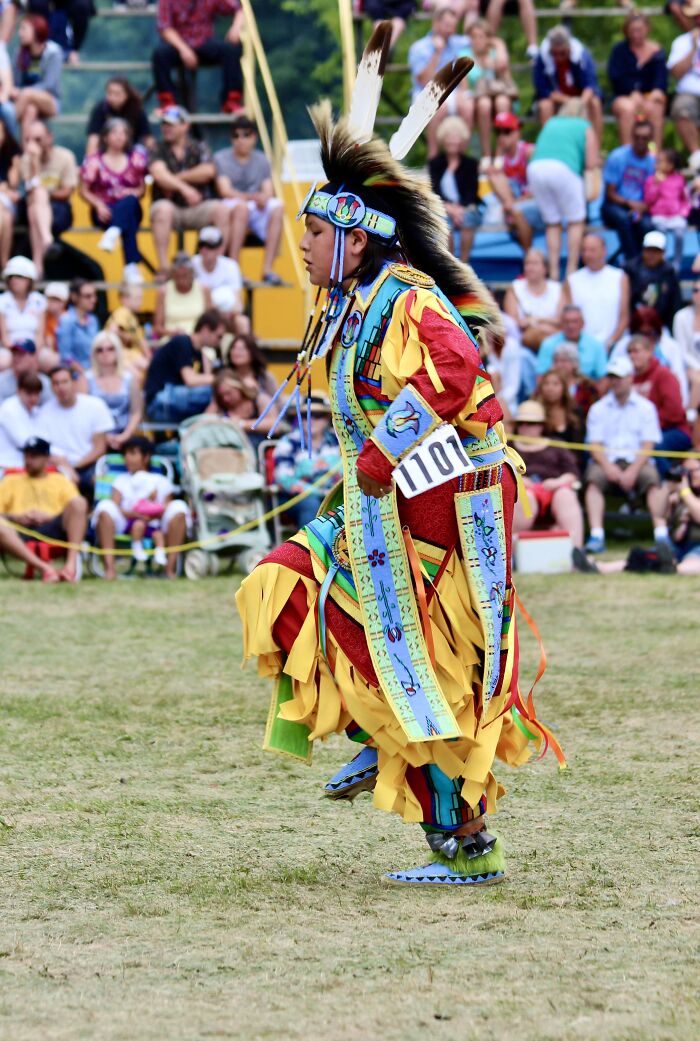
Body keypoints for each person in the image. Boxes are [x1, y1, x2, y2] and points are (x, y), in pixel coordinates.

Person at [236, 30, 562, 888]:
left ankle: (464, 842)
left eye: (314, 233)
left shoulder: (406, 299)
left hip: (443, 503)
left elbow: (458, 374)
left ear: (355, 237)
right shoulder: (353, 307)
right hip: (385, 499)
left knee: (428, 670)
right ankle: (372, 733)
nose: (302, 248)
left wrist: (381, 455)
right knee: (281, 583)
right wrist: (369, 469)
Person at [583, 355, 666, 554]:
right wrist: (609, 468)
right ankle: (597, 535)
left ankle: (662, 535)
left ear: (630, 378)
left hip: (638, 461)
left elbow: (648, 445)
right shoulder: (598, 408)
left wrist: (633, 470)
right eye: (612, 377)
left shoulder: (646, 408)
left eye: (619, 377)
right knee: (593, 480)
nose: (615, 381)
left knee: (652, 479)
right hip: (606, 461)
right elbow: (595, 446)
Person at [92, 434, 187, 580]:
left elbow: (168, 505)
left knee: (179, 507)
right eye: (125, 454)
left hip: (156, 523)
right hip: (126, 522)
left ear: (146, 457)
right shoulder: (120, 480)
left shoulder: (160, 481)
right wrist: (133, 514)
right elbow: (115, 506)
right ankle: (109, 569)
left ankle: (170, 569)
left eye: (133, 453)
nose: (127, 458)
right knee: (104, 506)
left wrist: (153, 513)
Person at [148, 105, 229, 277]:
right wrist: (185, 188)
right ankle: (163, 268)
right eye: (164, 124)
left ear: (185, 126)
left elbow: (208, 171)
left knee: (221, 210)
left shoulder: (199, 146)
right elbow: (158, 174)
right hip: (171, 208)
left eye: (171, 124)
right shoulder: (158, 148)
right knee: (161, 209)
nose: (165, 128)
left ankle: (217, 266)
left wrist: (174, 179)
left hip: (197, 207)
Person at [527, 98, 599, 280]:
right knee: (575, 220)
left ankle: (552, 271)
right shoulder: (585, 125)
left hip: (535, 169)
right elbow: (591, 163)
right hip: (564, 169)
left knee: (553, 222)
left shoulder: (551, 121)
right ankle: (571, 269)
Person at [0, 434, 87, 581]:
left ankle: (70, 567)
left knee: (79, 503)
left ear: (47, 458)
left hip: (53, 528)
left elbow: (76, 508)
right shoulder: (10, 480)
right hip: (19, 531)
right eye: (26, 455)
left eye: (34, 456)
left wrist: (49, 517)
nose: (28, 460)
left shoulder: (60, 480)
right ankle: (46, 569)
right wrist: (16, 517)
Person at [214, 115, 284, 284]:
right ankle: (235, 269)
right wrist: (251, 198)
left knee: (278, 206)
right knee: (241, 208)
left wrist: (263, 198)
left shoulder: (262, 160)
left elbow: (268, 191)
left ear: (254, 137)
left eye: (245, 135)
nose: (240, 140)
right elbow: (225, 191)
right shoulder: (221, 158)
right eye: (236, 135)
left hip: (252, 205)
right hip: (232, 206)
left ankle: (268, 269)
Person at [79, 118, 148, 281]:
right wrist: (98, 205)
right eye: (115, 132)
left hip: (128, 206)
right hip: (104, 211)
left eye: (123, 133)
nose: (119, 137)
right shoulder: (94, 160)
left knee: (129, 202)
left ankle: (114, 232)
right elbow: (84, 190)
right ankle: (131, 264)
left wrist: (133, 191)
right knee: (127, 220)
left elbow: (142, 188)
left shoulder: (136, 159)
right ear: (105, 136)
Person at [511, 399, 584, 549]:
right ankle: (512, 551)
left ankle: (576, 550)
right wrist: (519, 480)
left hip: (554, 490)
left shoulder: (556, 445)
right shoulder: (508, 447)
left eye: (531, 424)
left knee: (565, 495)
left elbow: (573, 473)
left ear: (541, 426)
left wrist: (558, 482)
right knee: (525, 497)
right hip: (523, 492)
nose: (525, 428)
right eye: (521, 423)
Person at [35, 364, 114, 498]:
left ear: (73, 382)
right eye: (56, 383)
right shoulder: (44, 413)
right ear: (52, 388)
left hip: (90, 464)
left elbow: (100, 447)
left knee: (102, 482)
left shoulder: (95, 405)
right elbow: (46, 449)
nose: (61, 387)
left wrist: (75, 466)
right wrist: (67, 468)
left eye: (65, 381)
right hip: (59, 467)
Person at [152, 0, 244, 114]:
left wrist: (236, 28)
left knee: (230, 50)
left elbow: (239, 9)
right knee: (160, 54)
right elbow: (165, 28)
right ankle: (167, 102)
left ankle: (232, 101)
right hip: (177, 44)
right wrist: (184, 49)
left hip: (204, 42)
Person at [407, 2, 471, 157]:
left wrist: (464, 91)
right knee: (438, 107)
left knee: (468, 106)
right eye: (447, 25)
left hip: (453, 91)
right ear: (436, 23)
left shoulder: (458, 42)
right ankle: (433, 156)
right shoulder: (419, 47)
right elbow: (423, 81)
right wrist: (437, 53)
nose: (451, 29)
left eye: (453, 25)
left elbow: (482, 38)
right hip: (427, 92)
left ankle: (462, 157)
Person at [626, 333, 692, 477]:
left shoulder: (664, 375)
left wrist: (646, 428)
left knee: (653, 446)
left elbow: (674, 412)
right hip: (641, 432)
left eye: (636, 351)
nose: (632, 355)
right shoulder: (628, 379)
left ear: (650, 351)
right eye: (629, 352)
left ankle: (670, 480)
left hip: (673, 430)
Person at [271, 393, 341, 529]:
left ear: (327, 419)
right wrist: (321, 493)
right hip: (296, 498)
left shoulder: (337, 441)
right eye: (305, 415)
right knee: (311, 503)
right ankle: (309, 548)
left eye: (317, 415)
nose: (311, 420)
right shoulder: (289, 442)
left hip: (333, 495)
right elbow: (284, 479)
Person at [144, 308, 225, 423]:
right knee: (219, 392)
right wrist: (221, 379)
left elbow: (203, 380)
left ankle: (203, 425)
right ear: (206, 330)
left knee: (221, 393)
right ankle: (203, 426)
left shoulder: (199, 353)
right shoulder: (182, 342)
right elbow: (190, 380)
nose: (219, 341)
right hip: (159, 401)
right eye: (219, 336)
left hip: (172, 401)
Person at [19, 119, 76, 278]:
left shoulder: (65, 157)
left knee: (37, 202)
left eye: (37, 139)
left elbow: (67, 192)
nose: (33, 144)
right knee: (34, 204)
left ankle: (38, 264)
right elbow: (30, 189)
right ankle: (46, 241)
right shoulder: (26, 159)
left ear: (49, 137)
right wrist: (35, 162)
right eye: (28, 139)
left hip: (59, 212)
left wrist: (45, 193)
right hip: (32, 208)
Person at [607, 12, 667, 153]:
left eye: (639, 30)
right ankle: (628, 153)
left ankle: (653, 153)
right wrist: (633, 92)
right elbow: (615, 77)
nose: (636, 34)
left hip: (649, 97)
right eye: (632, 30)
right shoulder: (619, 51)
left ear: (647, 29)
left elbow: (661, 79)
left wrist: (654, 94)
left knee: (655, 109)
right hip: (624, 96)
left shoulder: (656, 51)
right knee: (628, 109)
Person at [532, 26, 603, 143]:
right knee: (545, 106)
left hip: (580, 98)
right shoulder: (542, 57)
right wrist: (568, 101)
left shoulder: (582, 55)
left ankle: (594, 148)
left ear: (569, 48)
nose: (558, 57)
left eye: (562, 53)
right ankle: (550, 146)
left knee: (595, 103)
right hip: (557, 99)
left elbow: (590, 86)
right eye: (554, 53)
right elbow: (542, 90)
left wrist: (579, 103)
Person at [458, 19, 517, 158]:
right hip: (477, 99)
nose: (477, 40)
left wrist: (498, 67)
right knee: (485, 103)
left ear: (488, 39)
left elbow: (508, 82)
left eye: (481, 36)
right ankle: (486, 153)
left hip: (499, 94)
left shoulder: (496, 54)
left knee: (502, 102)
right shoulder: (464, 55)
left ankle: (500, 153)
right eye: (474, 37)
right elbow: (465, 88)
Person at [485, 112, 542, 252]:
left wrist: (518, 202)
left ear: (517, 132)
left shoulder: (529, 151)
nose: (502, 136)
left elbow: (540, 187)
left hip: (537, 199)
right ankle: (511, 208)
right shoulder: (505, 160)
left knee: (516, 212)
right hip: (519, 202)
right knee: (492, 173)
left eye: (507, 131)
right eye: (498, 132)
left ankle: (529, 257)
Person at [600, 120, 655, 263]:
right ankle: (633, 263)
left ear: (650, 139)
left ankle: (649, 265)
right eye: (637, 137)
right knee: (624, 219)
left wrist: (643, 207)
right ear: (632, 136)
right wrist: (630, 204)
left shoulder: (653, 161)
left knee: (648, 226)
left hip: (641, 208)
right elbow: (610, 193)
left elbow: (654, 194)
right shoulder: (617, 156)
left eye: (644, 138)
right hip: (615, 205)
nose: (640, 141)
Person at [563, 233, 630, 351]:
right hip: (581, 347)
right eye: (584, 250)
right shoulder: (572, 280)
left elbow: (624, 317)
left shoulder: (620, 277)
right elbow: (568, 319)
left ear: (604, 251)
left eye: (592, 250)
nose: (587, 254)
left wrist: (611, 342)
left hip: (614, 345)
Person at [428, 115, 481, 262]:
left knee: (468, 218)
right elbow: (435, 190)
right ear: (443, 139)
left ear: (462, 140)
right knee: (444, 221)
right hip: (444, 206)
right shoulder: (435, 163)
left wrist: (459, 209)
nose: (452, 141)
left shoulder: (471, 164)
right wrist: (450, 208)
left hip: (466, 207)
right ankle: (450, 262)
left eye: (456, 137)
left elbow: (472, 191)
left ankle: (464, 263)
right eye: (449, 137)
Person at [86, 330, 142, 451]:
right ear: (94, 354)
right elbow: (81, 414)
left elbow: (136, 412)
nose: (105, 353)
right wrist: (102, 438)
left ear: (118, 351)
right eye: (99, 350)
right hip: (93, 438)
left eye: (110, 349)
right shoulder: (86, 379)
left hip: (125, 435)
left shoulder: (129, 378)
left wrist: (124, 436)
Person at [9, 15, 62, 137]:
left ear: (36, 30)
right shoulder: (20, 52)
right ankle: (25, 151)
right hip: (24, 100)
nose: (20, 33)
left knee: (28, 94)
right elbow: (15, 80)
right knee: (30, 111)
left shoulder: (53, 52)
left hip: (50, 100)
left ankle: (6, 127)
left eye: (24, 29)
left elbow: (49, 84)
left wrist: (22, 91)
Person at [502, 248, 561, 351]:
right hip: (522, 344)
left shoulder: (558, 288)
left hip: (554, 341)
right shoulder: (515, 288)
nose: (530, 267)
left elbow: (562, 321)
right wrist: (546, 325)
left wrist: (536, 320)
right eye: (527, 263)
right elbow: (513, 323)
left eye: (535, 263)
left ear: (545, 268)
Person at [624, 231, 683, 330]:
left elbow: (675, 303)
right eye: (648, 250)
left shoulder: (669, 272)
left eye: (656, 251)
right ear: (643, 250)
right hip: (633, 326)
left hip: (661, 327)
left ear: (663, 252)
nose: (651, 255)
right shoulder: (630, 270)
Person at [643, 149, 690, 270]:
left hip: (676, 215)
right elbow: (649, 200)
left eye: (660, 162)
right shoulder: (651, 180)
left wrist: (684, 212)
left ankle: (677, 262)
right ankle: (662, 261)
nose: (656, 165)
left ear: (671, 165)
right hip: (659, 215)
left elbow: (685, 198)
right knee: (660, 235)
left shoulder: (679, 179)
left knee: (680, 234)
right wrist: (655, 184)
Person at [207, 367, 274, 451]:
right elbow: (205, 423)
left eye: (228, 393)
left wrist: (242, 424)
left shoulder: (258, 400)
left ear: (238, 387)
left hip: (258, 448)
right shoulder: (221, 406)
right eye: (221, 395)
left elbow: (275, 425)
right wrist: (215, 402)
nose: (225, 398)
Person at [536, 304, 607, 382]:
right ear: (561, 324)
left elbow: (603, 378)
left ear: (583, 323)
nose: (570, 326)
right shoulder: (548, 344)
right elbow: (541, 376)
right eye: (566, 322)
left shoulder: (596, 345)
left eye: (575, 321)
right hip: (555, 390)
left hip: (586, 390)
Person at [85, 77, 152, 157]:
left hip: (130, 153)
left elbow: (148, 138)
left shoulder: (136, 109)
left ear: (126, 94)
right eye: (109, 93)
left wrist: (153, 159)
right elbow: (93, 138)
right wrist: (90, 161)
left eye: (117, 94)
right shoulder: (101, 109)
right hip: (106, 153)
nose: (112, 97)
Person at [153, 252, 210, 340]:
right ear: (173, 275)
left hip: (198, 340)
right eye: (179, 276)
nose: (182, 280)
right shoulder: (164, 291)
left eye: (185, 275)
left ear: (191, 273)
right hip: (172, 340)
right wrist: (172, 333)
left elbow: (211, 323)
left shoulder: (204, 290)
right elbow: (157, 328)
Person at [668, 2, 700, 155]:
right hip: (689, 95)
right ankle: (697, 157)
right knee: (681, 108)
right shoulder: (682, 42)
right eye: (696, 16)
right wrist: (693, 48)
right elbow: (675, 73)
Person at [0, 257, 46, 354]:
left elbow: (40, 335)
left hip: (34, 350)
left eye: (19, 276)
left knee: (51, 360)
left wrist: (32, 353)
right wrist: (17, 352)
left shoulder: (40, 300)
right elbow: (4, 337)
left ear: (29, 280)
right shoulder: (2, 300)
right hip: (9, 350)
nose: (13, 279)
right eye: (11, 276)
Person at [191, 224, 243, 308]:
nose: (205, 250)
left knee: (241, 321)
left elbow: (238, 304)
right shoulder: (191, 264)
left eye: (211, 246)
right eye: (202, 245)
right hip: (198, 312)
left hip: (224, 313)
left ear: (221, 248)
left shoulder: (231, 266)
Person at [0, 370, 42, 469]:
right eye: (29, 394)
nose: (33, 398)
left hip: (25, 466)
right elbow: (27, 443)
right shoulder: (9, 409)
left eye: (36, 394)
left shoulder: (35, 410)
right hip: (5, 466)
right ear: (18, 391)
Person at [533, 367, 585, 448]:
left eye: (555, 384)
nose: (550, 388)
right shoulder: (535, 411)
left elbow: (579, 446)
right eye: (546, 384)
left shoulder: (576, 411)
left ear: (564, 388)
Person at [56, 278, 99, 371]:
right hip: (75, 375)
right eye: (88, 296)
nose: (93, 300)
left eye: (94, 295)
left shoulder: (93, 320)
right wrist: (86, 374)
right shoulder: (66, 320)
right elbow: (65, 357)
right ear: (74, 297)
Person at [671, 277, 700, 414]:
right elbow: (681, 349)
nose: (698, 294)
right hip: (688, 366)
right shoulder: (681, 316)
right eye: (695, 290)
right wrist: (697, 367)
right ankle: (690, 418)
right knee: (698, 380)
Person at [0, 338, 49, 404]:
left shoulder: (45, 382)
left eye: (21, 354)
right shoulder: (2, 380)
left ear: (33, 357)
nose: (16, 358)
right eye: (14, 354)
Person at [0, 115, 20, 271]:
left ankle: (4, 262)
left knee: (4, 215)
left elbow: (13, 184)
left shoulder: (12, 154)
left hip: (6, 201)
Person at [42, 279, 68, 359]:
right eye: (49, 299)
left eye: (55, 300)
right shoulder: (44, 317)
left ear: (63, 302)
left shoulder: (68, 318)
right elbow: (48, 341)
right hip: (53, 355)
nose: (50, 303)